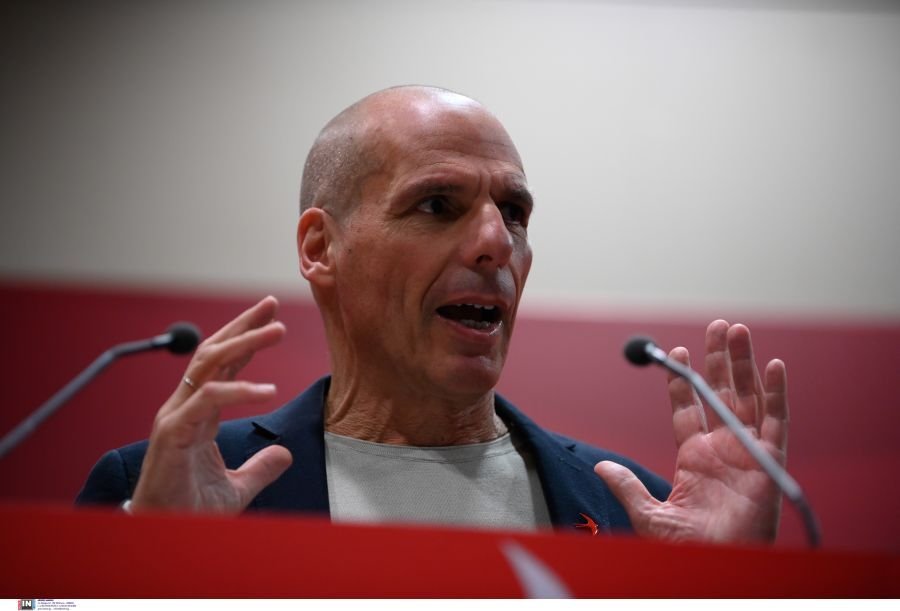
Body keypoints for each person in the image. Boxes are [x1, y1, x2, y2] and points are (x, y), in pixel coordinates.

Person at [77, 86, 788, 543]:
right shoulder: (158, 493)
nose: (495, 242)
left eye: (514, 212)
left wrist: (727, 592)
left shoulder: (643, 514)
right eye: (437, 205)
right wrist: (146, 568)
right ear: (321, 248)